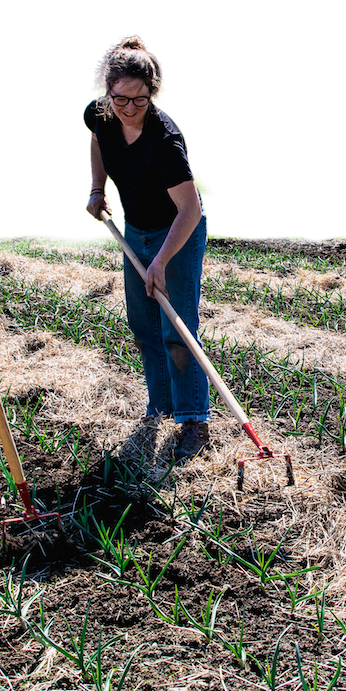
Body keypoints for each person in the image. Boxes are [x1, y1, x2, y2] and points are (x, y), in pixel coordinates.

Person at [83, 34, 210, 462]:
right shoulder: (100, 115)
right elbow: (97, 143)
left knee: (178, 329)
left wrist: (160, 261)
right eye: (121, 99)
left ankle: (193, 419)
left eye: (140, 101)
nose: (129, 108)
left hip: (177, 231)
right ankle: (160, 407)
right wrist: (97, 188)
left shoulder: (166, 140)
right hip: (135, 230)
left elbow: (190, 210)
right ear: (108, 92)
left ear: (152, 95)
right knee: (143, 326)